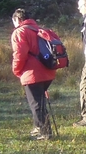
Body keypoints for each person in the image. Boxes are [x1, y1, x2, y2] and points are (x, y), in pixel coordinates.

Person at [11, 8, 57, 139]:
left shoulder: (19, 32)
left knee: (36, 104)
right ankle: (39, 127)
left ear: (17, 19)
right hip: (48, 71)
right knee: (40, 101)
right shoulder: (39, 30)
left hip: (32, 73)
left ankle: (45, 132)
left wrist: (16, 70)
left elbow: (19, 54)